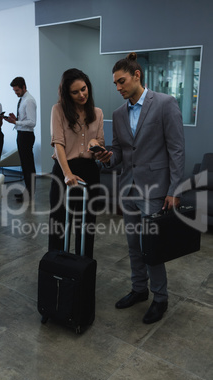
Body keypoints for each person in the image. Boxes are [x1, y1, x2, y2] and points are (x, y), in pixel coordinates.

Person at [97, 52, 185, 324]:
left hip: (155, 191)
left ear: (137, 75)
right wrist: (107, 156)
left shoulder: (165, 104)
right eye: (115, 84)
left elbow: (177, 150)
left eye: (121, 81)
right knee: (134, 245)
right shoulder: (118, 114)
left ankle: (160, 298)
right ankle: (139, 289)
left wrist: (174, 190)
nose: (118, 87)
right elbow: (122, 152)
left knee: (152, 248)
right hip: (128, 189)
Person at [48, 68, 105, 259]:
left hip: (89, 172)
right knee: (59, 224)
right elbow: (58, 144)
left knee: (86, 225)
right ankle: (57, 270)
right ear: (67, 94)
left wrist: (95, 145)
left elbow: (99, 141)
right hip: (65, 170)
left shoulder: (97, 113)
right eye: (75, 92)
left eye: (84, 89)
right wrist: (67, 174)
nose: (82, 94)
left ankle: (82, 273)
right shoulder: (58, 110)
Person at [4, 77, 36, 202]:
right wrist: (15, 120)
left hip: (26, 136)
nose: (16, 93)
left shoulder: (29, 101)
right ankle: (27, 191)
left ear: (23, 87)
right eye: (14, 91)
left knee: (28, 166)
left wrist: (16, 121)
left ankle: (30, 193)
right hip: (22, 134)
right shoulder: (23, 99)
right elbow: (25, 120)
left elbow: (32, 123)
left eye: (17, 90)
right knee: (25, 165)